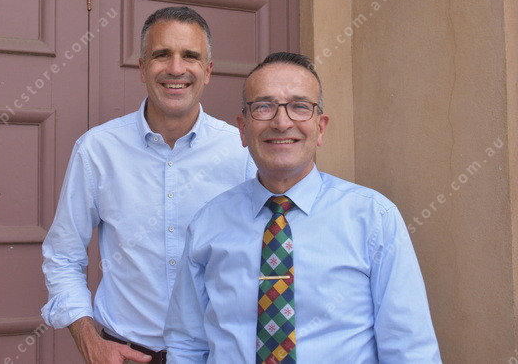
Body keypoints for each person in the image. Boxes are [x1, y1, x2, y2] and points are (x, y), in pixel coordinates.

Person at [164, 52, 442, 363]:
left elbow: (409, 349)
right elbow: (187, 346)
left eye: (299, 106)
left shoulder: (374, 219)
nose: (281, 123)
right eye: (264, 107)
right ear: (242, 129)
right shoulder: (208, 223)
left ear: (320, 127)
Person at [41, 6, 255, 364]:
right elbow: (62, 256)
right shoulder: (97, 150)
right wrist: (89, 340)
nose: (176, 68)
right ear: (142, 68)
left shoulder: (242, 152)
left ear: (208, 71)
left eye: (190, 56)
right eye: (161, 55)